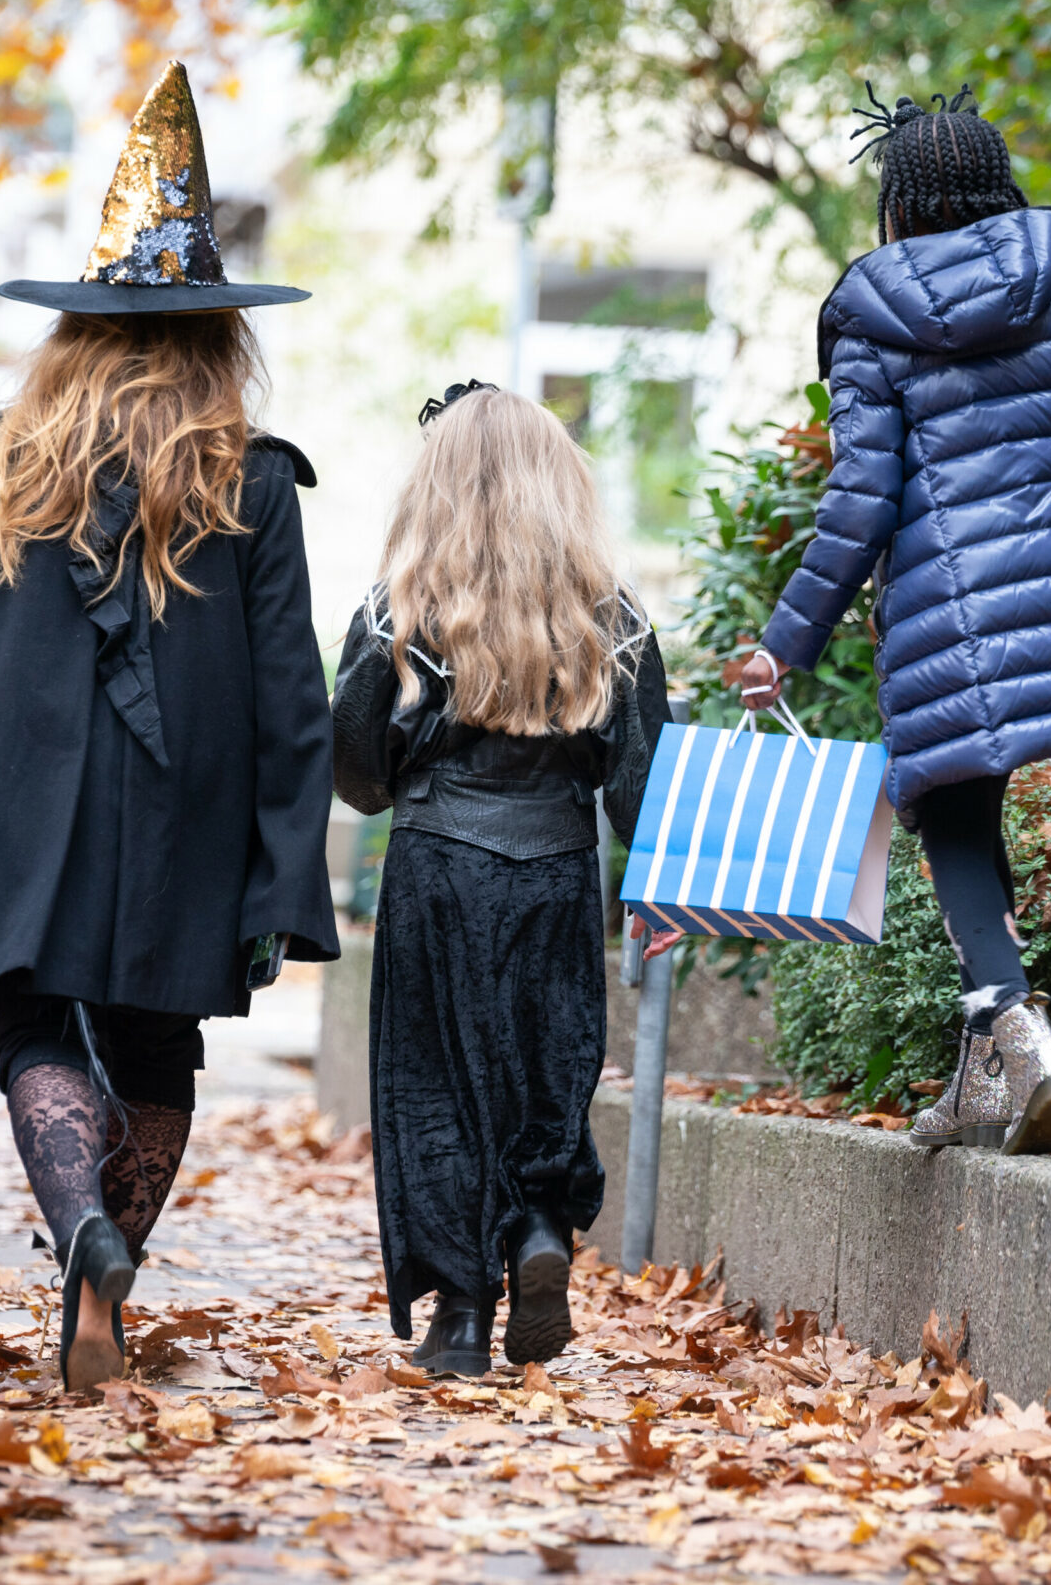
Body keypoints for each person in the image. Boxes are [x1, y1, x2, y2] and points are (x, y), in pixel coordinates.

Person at [0, 63, 339, 1391]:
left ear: (74, 328)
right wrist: (282, 876)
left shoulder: (5, 460)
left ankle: (80, 1226)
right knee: (156, 1040)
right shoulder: (251, 478)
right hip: (189, 808)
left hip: (26, 803)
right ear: (217, 333)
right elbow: (292, 694)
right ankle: (98, 1286)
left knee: (34, 1025)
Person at [740, 85, 1051, 1155]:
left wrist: (784, 646)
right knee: (957, 807)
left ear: (895, 203)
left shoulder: (871, 319)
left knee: (952, 810)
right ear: (997, 184)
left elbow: (859, 504)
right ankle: (985, 1081)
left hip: (954, 622)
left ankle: (1021, 1027)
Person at [330, 384, 671, 1376]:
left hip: (435, 868)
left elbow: (356, 775)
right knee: (543, 1070)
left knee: (436, 1085)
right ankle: (537, 1228)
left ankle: (461, 1321)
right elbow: (639, 794)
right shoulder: (613, 618)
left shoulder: (398, 609)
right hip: (556, 870)